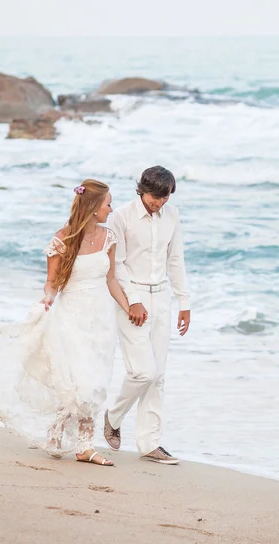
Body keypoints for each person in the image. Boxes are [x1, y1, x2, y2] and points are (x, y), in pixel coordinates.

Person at [0, 179, 131, 467]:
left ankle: (58, 430)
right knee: (79, 380)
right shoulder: (62, 240)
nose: (111, 209)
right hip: (71, 318)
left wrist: (128, 308)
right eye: (108, 204)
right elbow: (51, 283)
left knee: (96, 380)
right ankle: (85, 446)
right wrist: (46, 302)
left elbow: (111, 279)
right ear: (92, 207)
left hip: (101, 321)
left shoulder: (109, 238)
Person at [104, 166, 190, 465]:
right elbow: (119, 265)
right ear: (142, 189)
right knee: (143, 372)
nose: (160, 203)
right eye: (156, 197)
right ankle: (113, 416)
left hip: (163, 297)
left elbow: (176, 259)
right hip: (131, 299)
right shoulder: (121, 217)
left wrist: (184, 302)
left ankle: (150, 443)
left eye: (165, 198)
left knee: (159, 376)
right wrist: (134, 301)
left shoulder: (172, 215)